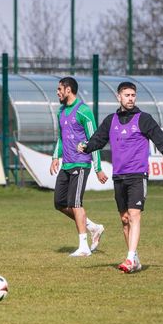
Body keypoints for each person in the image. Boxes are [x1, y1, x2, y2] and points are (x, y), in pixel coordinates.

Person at [78, 81, 163, 273]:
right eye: (126, 95)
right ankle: (134, 259)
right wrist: (86, 147)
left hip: (137, 174)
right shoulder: (110, 120)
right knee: (125, 219)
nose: (130, 98)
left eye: (133, 95)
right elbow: (98, 140)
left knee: (134, 214)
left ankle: (129, 258)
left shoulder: (144, 119)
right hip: (119, 176)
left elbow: (162, 143)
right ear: (118, 97)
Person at [50, 77, 108, 257]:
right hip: (66, 164)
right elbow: (61, 137)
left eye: (59, 89)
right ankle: (93, 227)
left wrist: (98, 168)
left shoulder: (83, 111)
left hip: (81, 163)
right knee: (59, 203)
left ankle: (83, 247)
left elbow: (95, 140)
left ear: (68, 90)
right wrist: (55, 156)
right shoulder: (61, 111)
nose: (57, 92)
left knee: (75, 203)